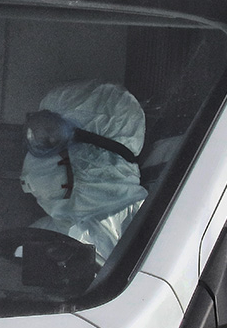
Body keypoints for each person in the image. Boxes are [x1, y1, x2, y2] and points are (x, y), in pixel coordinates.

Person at [20, 80, 147, 265]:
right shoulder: (38, 237)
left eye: (50, 139)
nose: (34, 157)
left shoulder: (156, 234)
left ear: (99, 152)